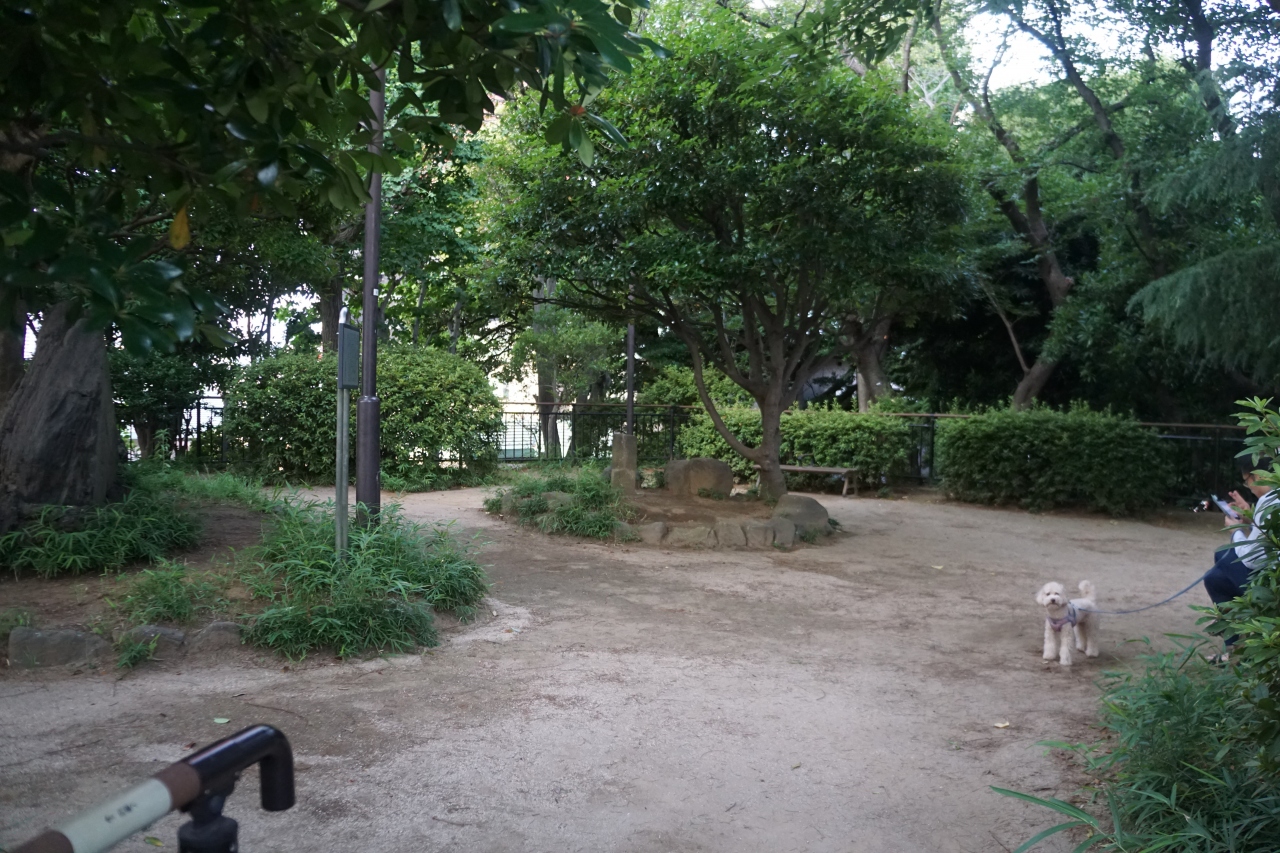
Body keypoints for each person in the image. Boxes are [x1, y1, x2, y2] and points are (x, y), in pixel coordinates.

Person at [1203, 456, 1277, 660]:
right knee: (1221, 559)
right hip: (1271, 568)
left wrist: (1235, 530)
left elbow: (1252, 558)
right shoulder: (1273, 498)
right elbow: (1266, 536)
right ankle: (1237, 641)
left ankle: (1235, 648)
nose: (1249, 488)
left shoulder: (1269, 501)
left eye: (1247, 482)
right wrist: (1251, 516)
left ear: (1257, 476)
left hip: (1270, 577)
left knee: (1215, 577)